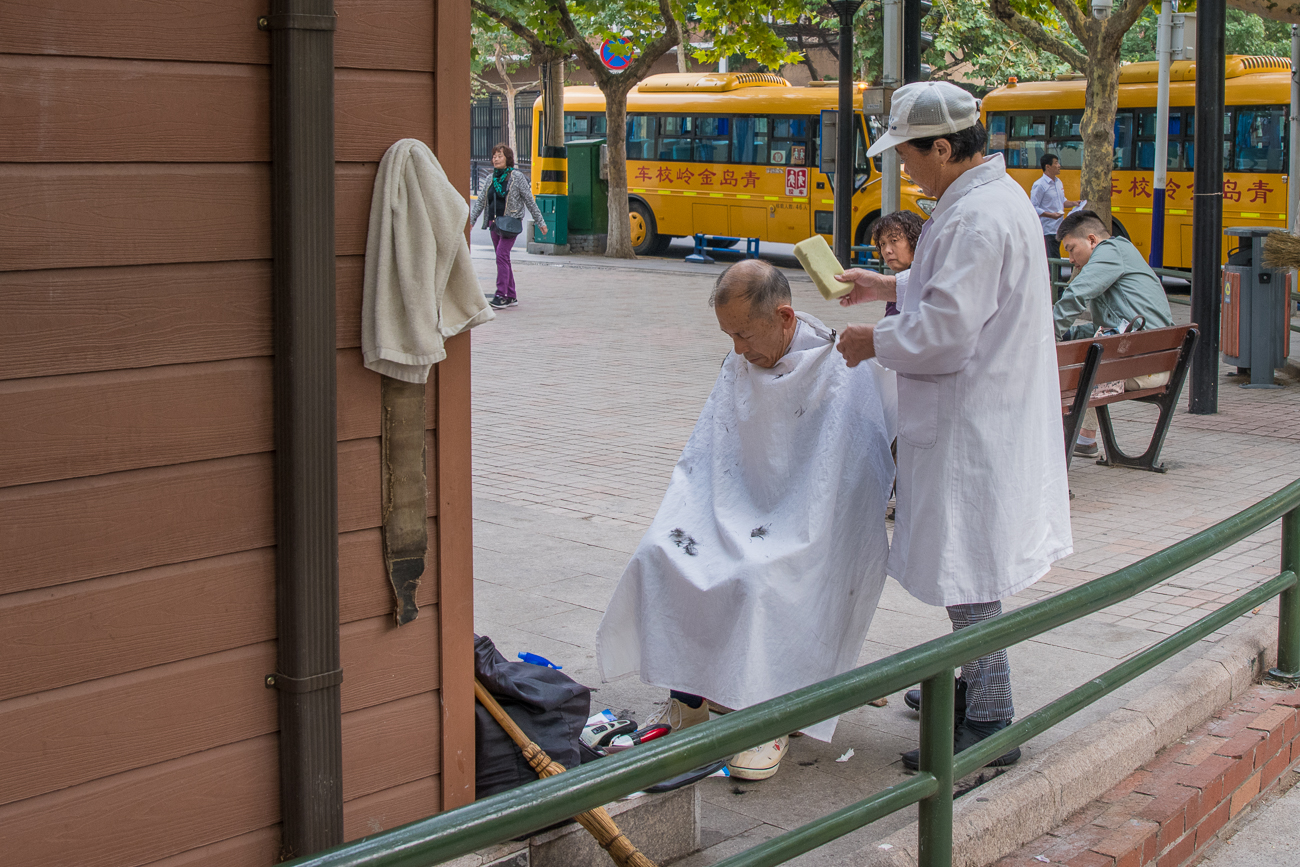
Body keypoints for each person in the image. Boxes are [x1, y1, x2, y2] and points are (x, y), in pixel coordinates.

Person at [832, 81, 1073, 771]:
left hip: (971, 417)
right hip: (986, 410)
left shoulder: (971, 218)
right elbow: (959, 289)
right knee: (973, 566)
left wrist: (870, 342)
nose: (903, 169)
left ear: (942, 147)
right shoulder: (996, 201)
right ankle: (974, 684)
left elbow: (944, 329)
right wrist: (888, 287)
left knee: (968, 574)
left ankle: (990, 716)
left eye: (907, 155)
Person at [597, 259, 895, 781]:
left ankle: (766, 715)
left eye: (743, 333)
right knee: (659, 553)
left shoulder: (837, 364)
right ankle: (688, 700)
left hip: (805, 523)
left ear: (784, 317)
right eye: (727, 334)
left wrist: (795, 522)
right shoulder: (741, 361)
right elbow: (707, 456)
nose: (737, 349)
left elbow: (848, 475)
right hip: (730, 509)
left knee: (759, 578)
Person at [1053, 209, 1175, 458]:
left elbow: (1076, 295)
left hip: (1144, 366)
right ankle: (1085, 438)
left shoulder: (1110, 251)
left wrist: (1048, 333)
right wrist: (1071, 334)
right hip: (1152, 360)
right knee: (1083, 361)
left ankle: (1067, 439)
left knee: (1065, 372)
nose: (1070, 259)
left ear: (1092, 240)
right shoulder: (1122, 254)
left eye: (1070, 248)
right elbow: (1112, 326)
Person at [467, 143, 547, 309]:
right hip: (494, 224)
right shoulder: (490, 178)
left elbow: (529, 201)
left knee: (501, 256)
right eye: (494, 156)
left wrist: (541, 222)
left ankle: (500, 295)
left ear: (508, 159)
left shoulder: (517, 177)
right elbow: (481, 201)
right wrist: (472, 221)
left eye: (500, 156)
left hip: (510, 224)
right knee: (503, 258)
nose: (496, 159)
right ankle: (511, 295)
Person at [872, 209, 926, 317]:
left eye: (894, 240)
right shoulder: (900, 283)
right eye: (882, 244)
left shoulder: (926, 281)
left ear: (914, 240)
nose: (887, 250)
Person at [1029, 153, 1080, 261]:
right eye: (1056, 163)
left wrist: (1074, 203)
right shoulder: (1040, 185)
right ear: (1048, 166)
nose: (1059, 166)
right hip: (1048, 229)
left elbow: (1062, 201)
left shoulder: (1058, 182)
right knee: (1054, 258)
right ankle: (1056, 278)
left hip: (1059, 227)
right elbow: (1033, 207)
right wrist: (1050, 215)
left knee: (1058, 255)